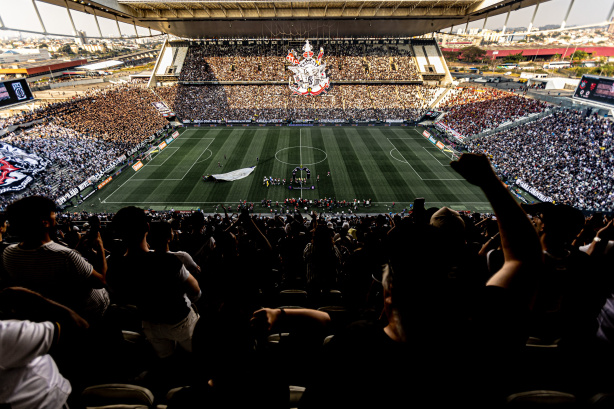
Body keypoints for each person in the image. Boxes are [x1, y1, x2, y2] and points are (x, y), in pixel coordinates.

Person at [298, 153, 543, 408]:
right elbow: (524, 259)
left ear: (387, 292)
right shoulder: (481, 345)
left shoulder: (351, 349)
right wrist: (489, 182)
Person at [106, 206, 201, 359]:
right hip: (180, 320)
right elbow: (195, 290)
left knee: (166, 360)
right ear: (147, 228)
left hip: (149, 323)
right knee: (197, 354)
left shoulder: (114, 267)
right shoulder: (169, 260)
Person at [2, 196, 109, 324]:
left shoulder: (9, 253)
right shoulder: (65, 255)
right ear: (44, 222)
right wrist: (101, 248)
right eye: (52, 213)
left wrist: (78, 248)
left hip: (53, 315)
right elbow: (101, 281)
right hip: (90, 314)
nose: (56, 216)